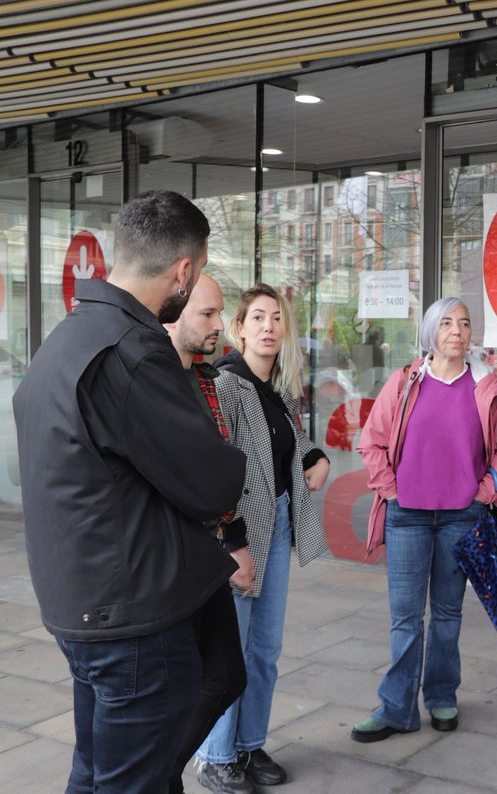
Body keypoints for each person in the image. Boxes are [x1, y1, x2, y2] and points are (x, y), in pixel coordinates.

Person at [13, 190, 246, 794]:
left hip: (86, 605)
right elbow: (213, 483)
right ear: (184, 272)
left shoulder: (65, 339)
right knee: (126, 781)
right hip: (133, 619)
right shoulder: (133, 352)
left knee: (98, 774)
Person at [351, 296, 497, 741]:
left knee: (447, 614)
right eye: (446, 323)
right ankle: (396, 708)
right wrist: (391, 490)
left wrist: (486, 489)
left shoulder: (486, 386)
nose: (456, 331)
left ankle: (442, 696)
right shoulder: (405, 381)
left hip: (461, 518)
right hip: (406, 516)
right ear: (432, 331)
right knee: (405, 617)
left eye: (464, 324)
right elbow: (370, 441)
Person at [195, 283, 330, 794]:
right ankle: (215, 756)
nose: (268, 327)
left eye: (276, 318)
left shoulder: (280, 386)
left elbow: (288, 435)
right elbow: (216, 465)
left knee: (265, 648)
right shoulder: (226, 383)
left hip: (275, 521)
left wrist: (314, 455)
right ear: (239, 327)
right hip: (240, 531)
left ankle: (249, 745)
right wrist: (232, 541)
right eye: (257, 317)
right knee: (233, 648)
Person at [164, 273, 255, 794]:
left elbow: (217, 467)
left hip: (205, 555)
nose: (220, 325)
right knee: (190, 682)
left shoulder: (203, 378)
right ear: (174, 309)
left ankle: (160, 769)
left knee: (227, 674)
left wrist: (233, 540)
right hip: (169, 564)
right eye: (208, 314)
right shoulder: (153, 381)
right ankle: (159, 772)